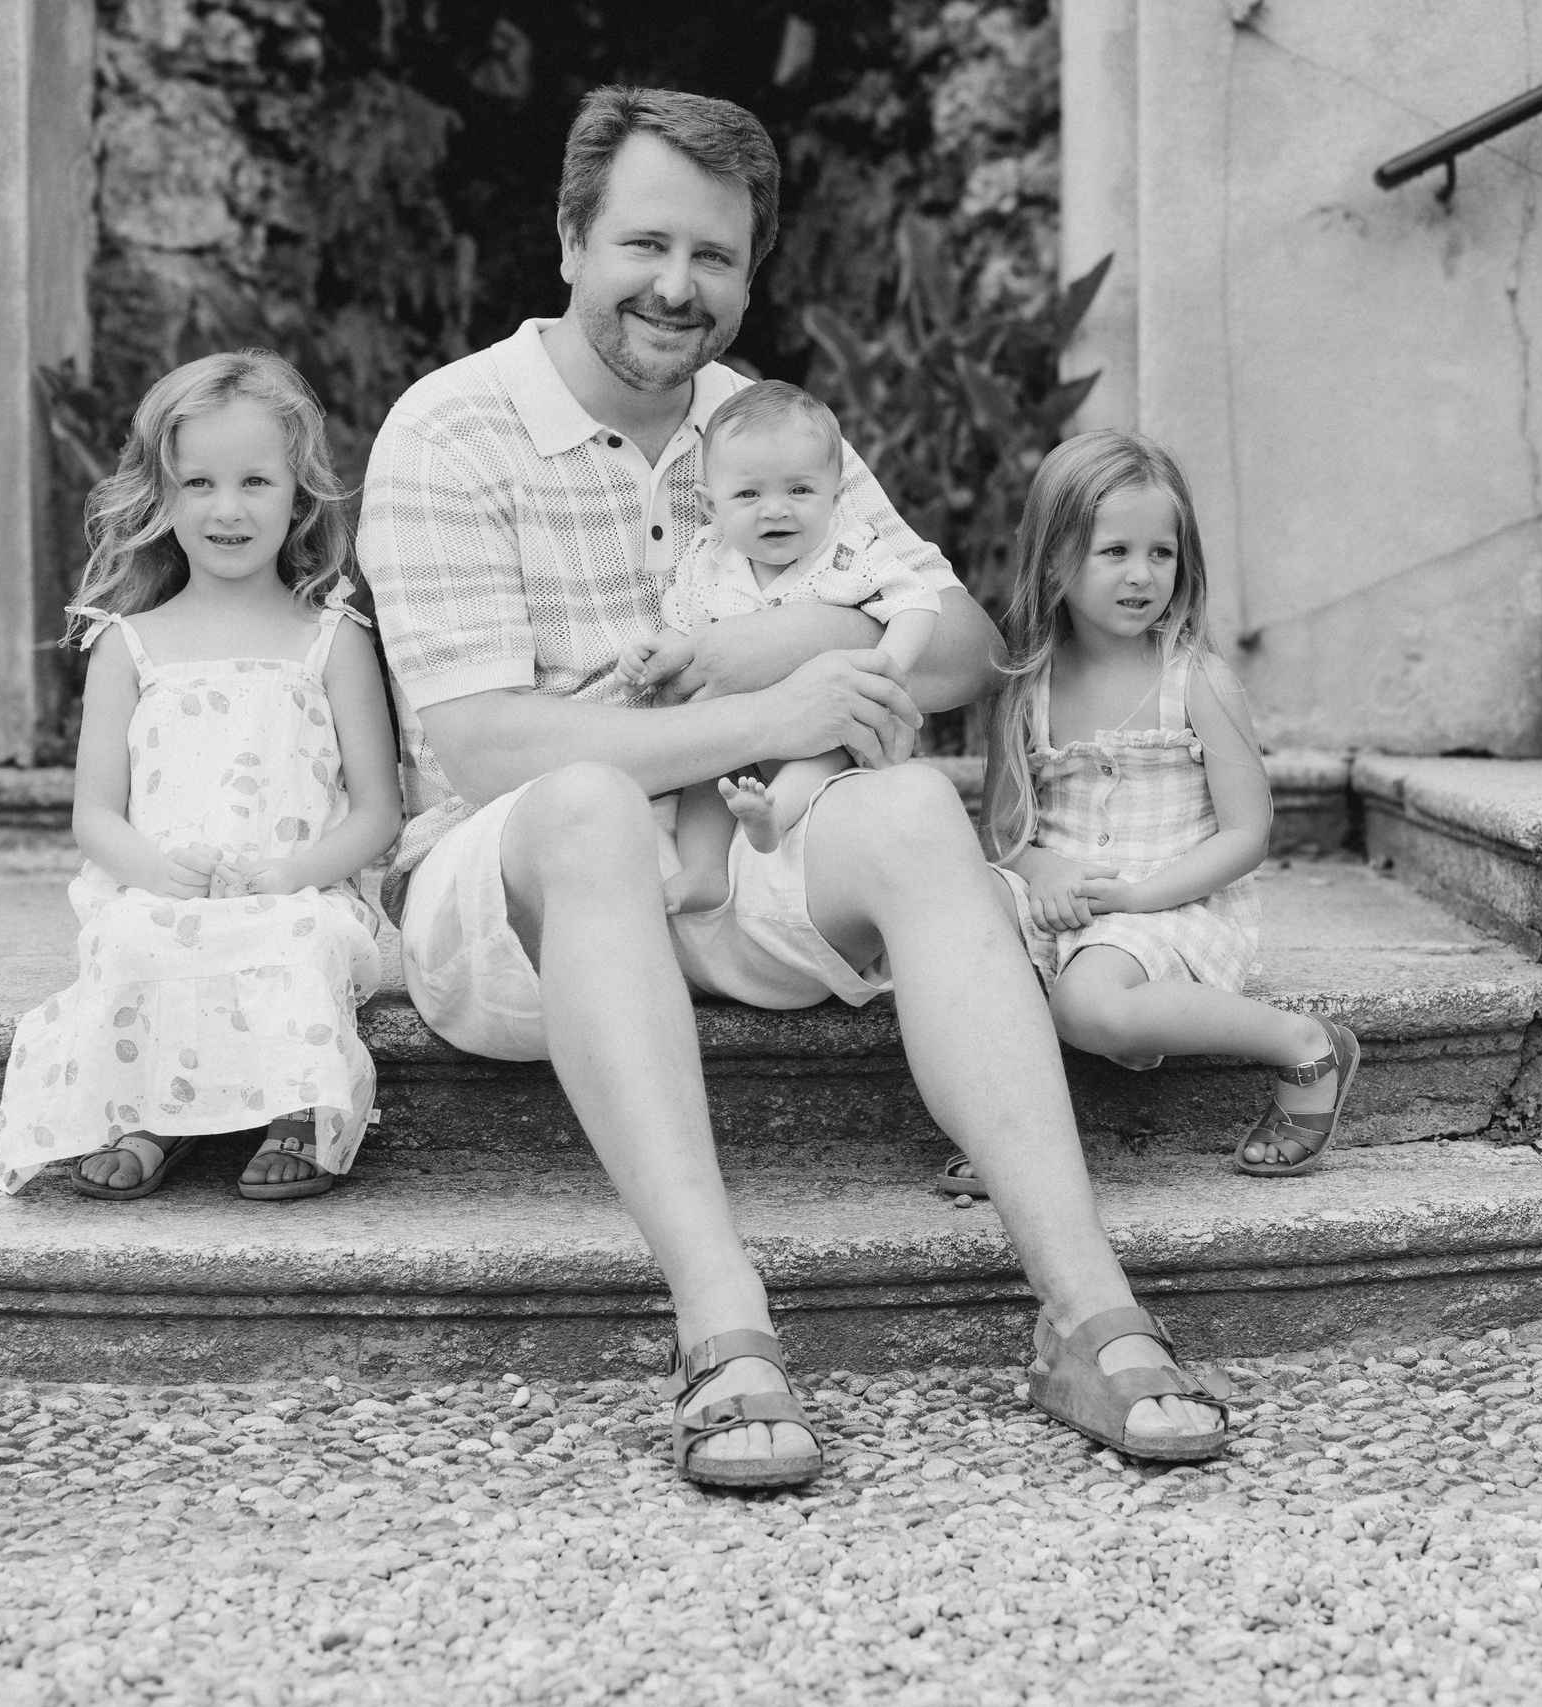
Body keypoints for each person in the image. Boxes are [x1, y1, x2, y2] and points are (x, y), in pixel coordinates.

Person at [358, 85, 1230, 1483]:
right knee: (583, 803)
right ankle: (727, 1328)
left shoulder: (761, 423)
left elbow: (959, 642)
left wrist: (793, 635)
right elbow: (490, 750)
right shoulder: (449, 429)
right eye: (646, 244)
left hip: (747, 862)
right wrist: (778, 699)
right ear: (569, 240)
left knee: (904, 805)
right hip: (510, 900)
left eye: (716, 257)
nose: (678, 286)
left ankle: (1086, 1310)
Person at [0, 350, 403, 1204]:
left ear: (298, 492)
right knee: (133, 941)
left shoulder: (333, 637)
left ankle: (300, 1106)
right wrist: (151, 869)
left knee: (298, 943)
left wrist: (297, 872)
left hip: (295, 888)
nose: (227, 508)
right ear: (162, 493)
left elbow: (377, 811)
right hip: (167, 890)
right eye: (199, 483)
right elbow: (95, 814)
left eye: (255, 481)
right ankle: (156, 1111)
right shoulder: (127, 643)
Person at [960, 430, 1361, 1193]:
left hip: (1172, 901)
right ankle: (1004, 1122)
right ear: (1053, 558)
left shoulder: (1197, 681)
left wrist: (1141, 895)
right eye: (1114, 552)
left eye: (1161, 553)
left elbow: (1248, 833)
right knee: (953, 913)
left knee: (1087, 1003)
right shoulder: (1026, 686)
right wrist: (1040, 865)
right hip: (1067, 903)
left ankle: (1306, 1043)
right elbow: (1005, 830)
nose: (1142, 575)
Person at [618, 380, 940, 915]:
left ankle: (771, 819)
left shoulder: (847, 553)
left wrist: (884, 669)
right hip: (735, 727)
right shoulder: (707, 560)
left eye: (799, 491)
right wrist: (653, 655)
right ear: (710, 505)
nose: (775, 511)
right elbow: (683, 630)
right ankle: (704, 872)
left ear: (836, 497)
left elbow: (917, 599)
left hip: (821, 725)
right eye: (748, 494)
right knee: (702, 774)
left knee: (822, 756)